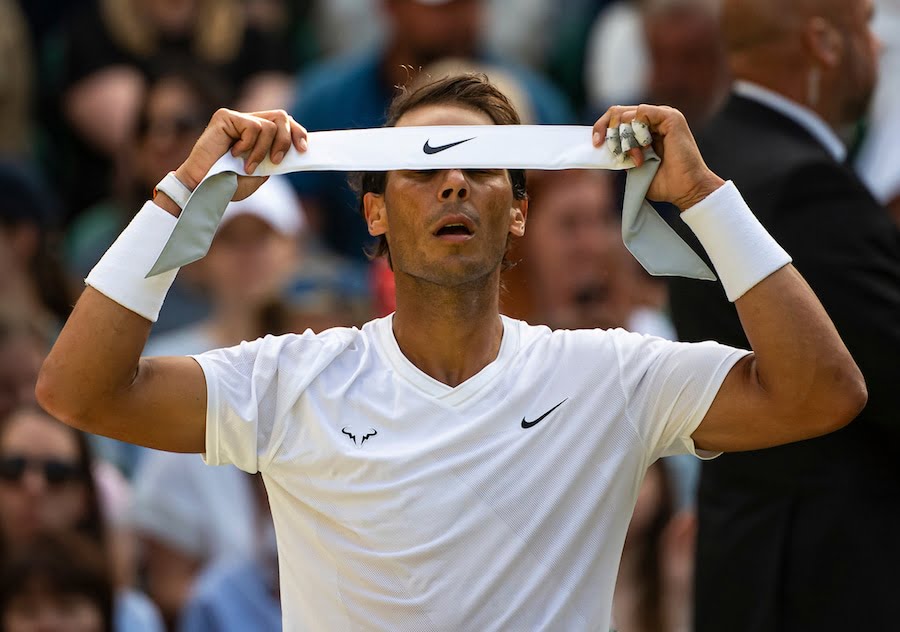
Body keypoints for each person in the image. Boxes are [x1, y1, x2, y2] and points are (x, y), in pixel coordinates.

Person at [37, 75, 867, 629]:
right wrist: (183, 194)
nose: (454, 183)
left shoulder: (611, 375)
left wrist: (706, 198)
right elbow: (79, 391)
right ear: (372, 214)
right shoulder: (292, 378)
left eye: (483, 170)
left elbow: (823, 392)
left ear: (518, 212)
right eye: (420, 172)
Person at [664, 0, 900, 629]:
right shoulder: (806, 186)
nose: (877, 49)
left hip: (750, 561)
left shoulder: (715, 151)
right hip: (828, 580)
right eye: (866, 28)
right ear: (824, 42)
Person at [0, 405, 164, 631]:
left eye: (56, 472)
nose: (33, 486)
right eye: (13, 468)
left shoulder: (130, 616)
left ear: (85, 495)